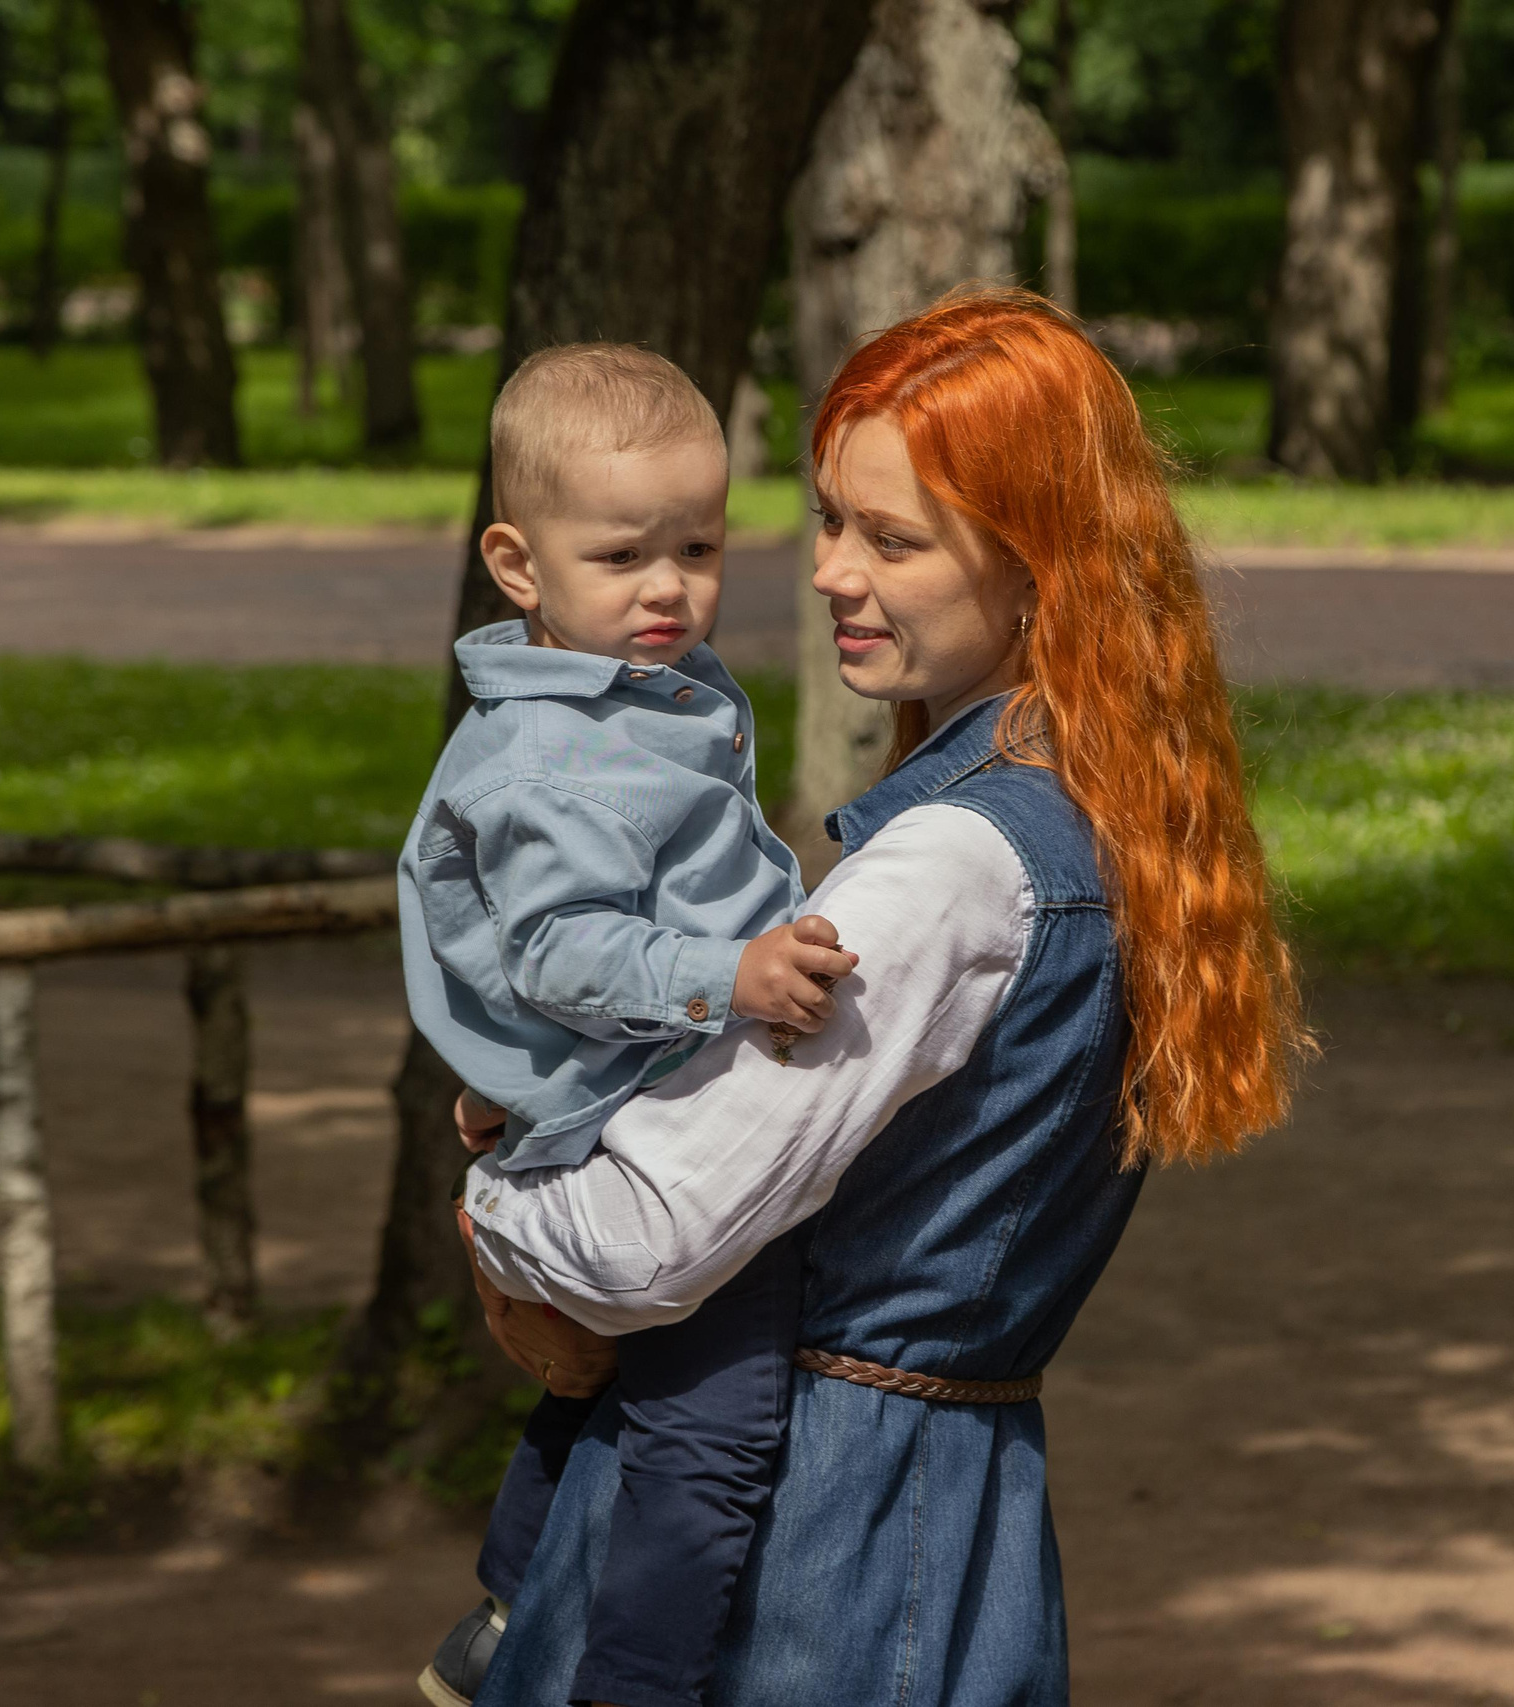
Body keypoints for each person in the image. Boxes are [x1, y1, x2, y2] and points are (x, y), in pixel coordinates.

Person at [455, 288, 1311, 1707]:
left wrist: (490, 1199)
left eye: (894, 539)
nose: (835, 573)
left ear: (1044, 567)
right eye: (831, 521)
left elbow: (643, 1242)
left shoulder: (948, 872)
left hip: (802, 1554)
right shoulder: (1093, 822)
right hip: (948, 1516)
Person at [398, 342, 861, 1707]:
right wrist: (735, 975)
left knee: (615, 1384)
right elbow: (557, 951)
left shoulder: (644, 684)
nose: (669, 589)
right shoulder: (553, 758)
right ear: (518, 563)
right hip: (628, 1096)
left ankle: (503, 1607)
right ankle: (636, 1684)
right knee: (713, 1423)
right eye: (623, 558)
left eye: (699, 546)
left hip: (622, 1080)